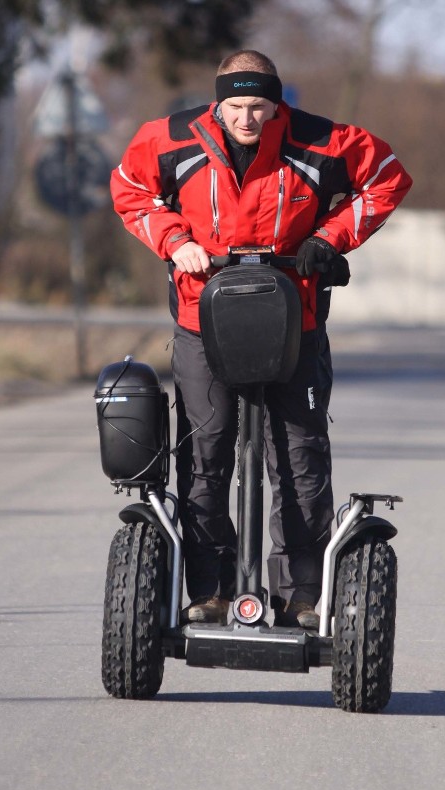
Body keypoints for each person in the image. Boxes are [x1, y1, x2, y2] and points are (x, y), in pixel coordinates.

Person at [110, 49, 412, 630]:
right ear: (218, 102)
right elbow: (129, 188)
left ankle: (300, 597)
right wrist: (175, 241)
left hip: (293, 321)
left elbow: (388, 177)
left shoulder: (321, 142)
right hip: (204, 319)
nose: (247, 118)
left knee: (299, 458)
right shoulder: (172, 138)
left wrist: (332, 238)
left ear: (278, 104)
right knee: (206, 456)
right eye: (236, 106)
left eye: (259, 107)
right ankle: (209, 589)